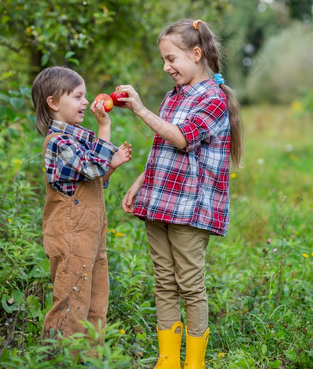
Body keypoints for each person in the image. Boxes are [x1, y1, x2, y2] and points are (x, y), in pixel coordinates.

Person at [119, 19, 243, 369]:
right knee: (164, 281)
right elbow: (164, 146)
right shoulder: (173, 96)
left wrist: (141, 110)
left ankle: (194, 363)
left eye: (171, 58)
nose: (166, 67)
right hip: (160, 201)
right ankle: (168, 360)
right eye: (163, 60)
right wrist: (141, 181)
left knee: (189, 284)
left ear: (197, 53)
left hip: (190, 209)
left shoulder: (213, 99)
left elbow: (183, 138)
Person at [31, 66, 132, 339]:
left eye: (85, 96)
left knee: (96, 303)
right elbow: (92, 169)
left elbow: (93, 180)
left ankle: (89, 357)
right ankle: (60, 359)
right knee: (70, 304)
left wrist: (111, 166)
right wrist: (104, 127)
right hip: (71, 237)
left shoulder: (77, 139)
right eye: (77, 96)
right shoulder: (58, 142)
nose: (86, 102)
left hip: (92, 237)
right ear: (53, 103)